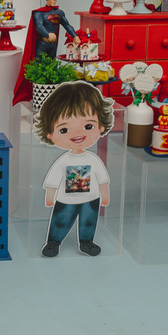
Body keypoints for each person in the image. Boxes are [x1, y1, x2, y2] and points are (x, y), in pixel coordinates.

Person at [34, 81, 114, 257]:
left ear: (101, 126)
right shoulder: (63, 161)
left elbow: (102, 179)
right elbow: (53, 180)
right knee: (60, 221)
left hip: (91, 199)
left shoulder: (93, 159)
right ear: (50, 135)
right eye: (64, 130)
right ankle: (53, 242)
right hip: (65, 200)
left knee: (89, 221)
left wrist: (105, 194)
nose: (78, 134)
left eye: (88, 126)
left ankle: (87, 242)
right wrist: (50, 196)